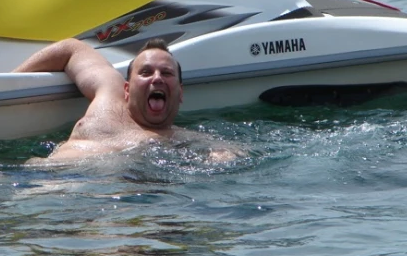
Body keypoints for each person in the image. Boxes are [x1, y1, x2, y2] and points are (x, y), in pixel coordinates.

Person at [14, 37, 242, 162]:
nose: (157, 78)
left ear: (180, 93)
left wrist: (223, 155)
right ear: (126, 89)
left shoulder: (181, 138)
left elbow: (231, 152)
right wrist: (7, 83)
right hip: (35, 179)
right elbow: (70, 49)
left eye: (167, 73)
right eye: (146, 72)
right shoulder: (108, 96)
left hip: (95, 199)